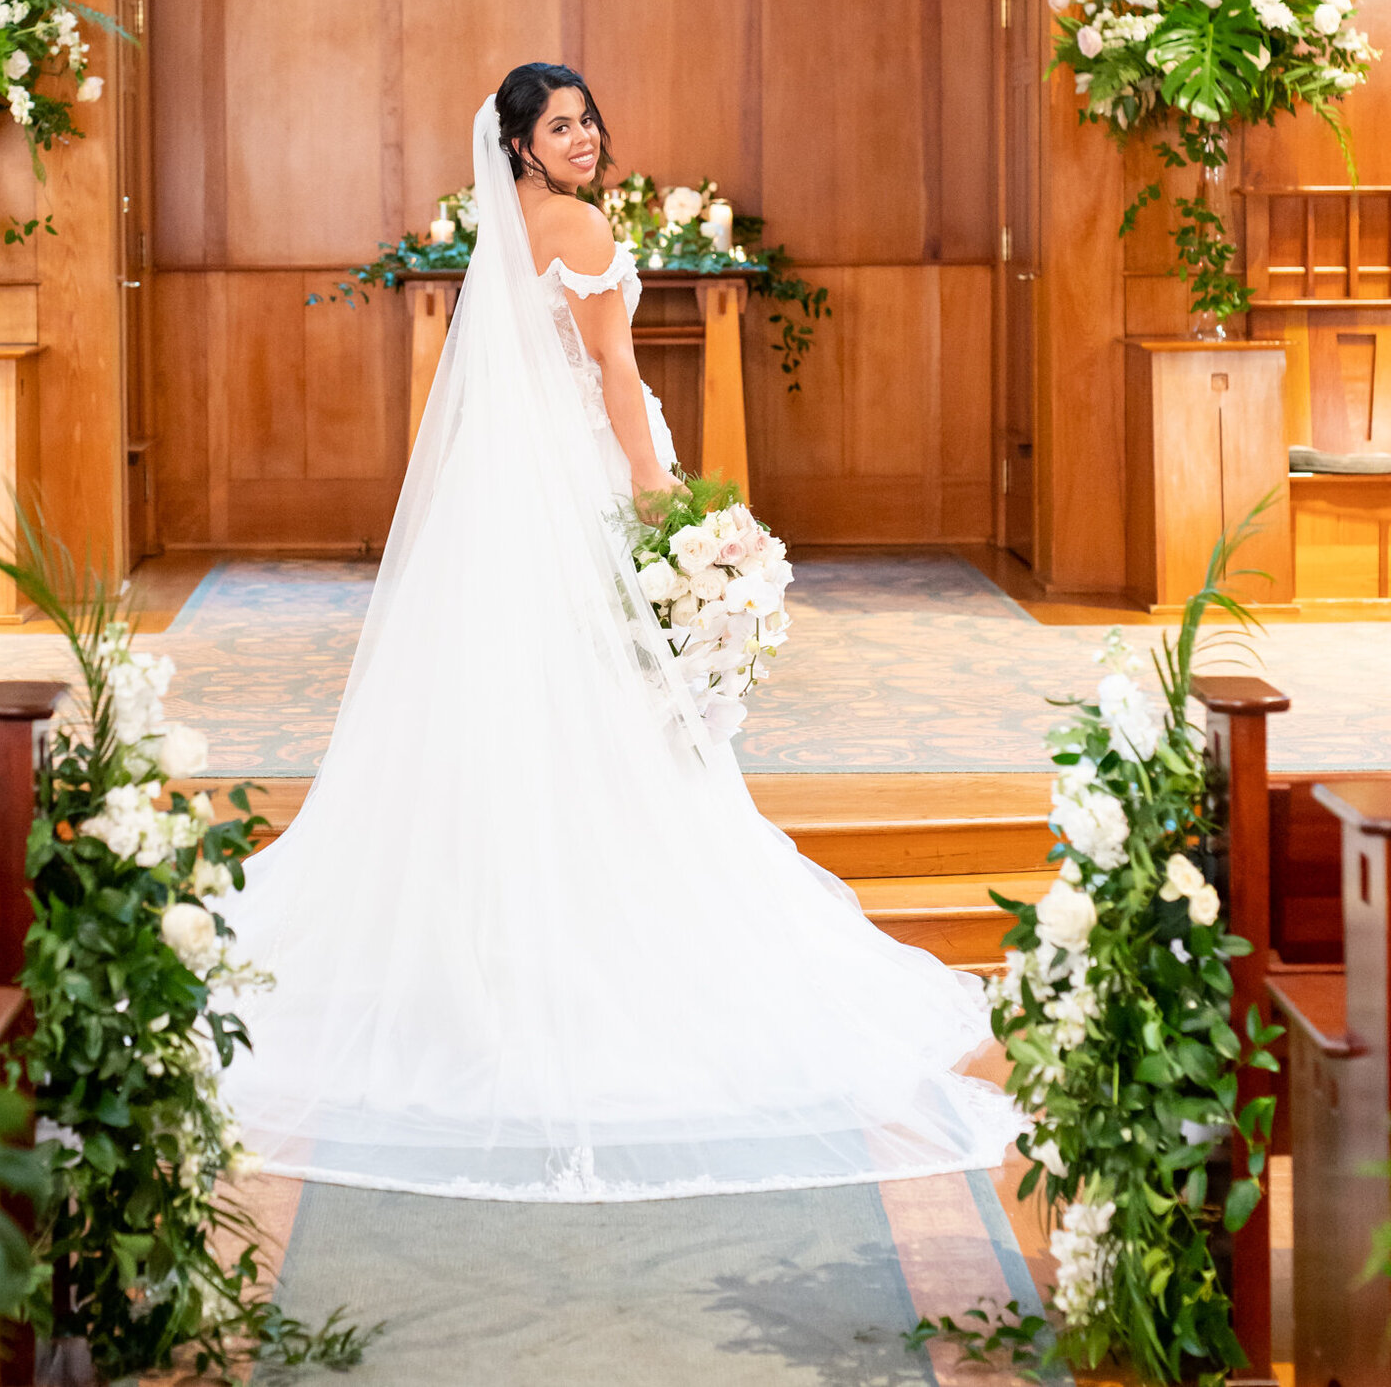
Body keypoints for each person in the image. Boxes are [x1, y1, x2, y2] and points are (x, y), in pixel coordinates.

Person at [223, 65, 1014, 1200]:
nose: (584, 136)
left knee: (515, 698)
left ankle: (487, 946)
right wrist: (665, 508)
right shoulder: (579, 223)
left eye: (587, 117)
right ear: (520, 142)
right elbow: (610, 369)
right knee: (603, 700)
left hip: (503, 495)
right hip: (577, 488)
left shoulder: (514, 231)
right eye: (560, 124)